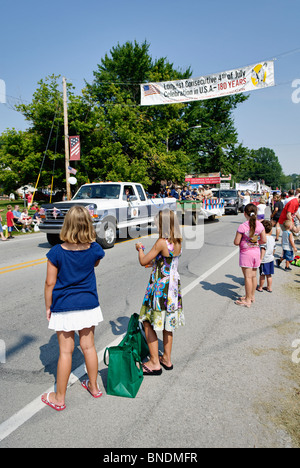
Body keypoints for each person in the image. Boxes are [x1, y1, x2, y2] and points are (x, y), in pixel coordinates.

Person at [41, 205, 105, 412]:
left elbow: (50, 283)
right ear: (88, 224)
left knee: (65, 352)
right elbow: (93, 264)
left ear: (66, 224)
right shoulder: (95, 248)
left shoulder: (56, 252)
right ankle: (94, 387)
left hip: (65, 305)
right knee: (88, 347)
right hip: (88, 303)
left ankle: (59, 398)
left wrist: (48, 306)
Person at [135, 209, 185, 375]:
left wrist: (140, 249)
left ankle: (154, 362)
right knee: (167, 325)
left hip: (160, 289)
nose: (155, 225)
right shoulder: (178, 240)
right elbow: (166, 262)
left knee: (147, 321)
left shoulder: (161, 242)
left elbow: (143, 261)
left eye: (157, 223)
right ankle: (167, 359)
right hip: (173, 288)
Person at [233, 203, 266, 307]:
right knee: (253, 276)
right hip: (256, 253)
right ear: (256, 213)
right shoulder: (260, 225)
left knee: (247, 277)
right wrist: (255, 242)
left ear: (244, 214)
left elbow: (236, 242)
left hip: (246, 253)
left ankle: (247, 300)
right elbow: (264, 240)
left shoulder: (243, 226)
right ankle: (251, 296)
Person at [257, 220, 276, 293]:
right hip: (270, 258)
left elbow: (263, 249)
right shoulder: (272, 238)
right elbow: (274, 248)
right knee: (269, 275)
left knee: (262, 274)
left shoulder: (263, 239)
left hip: (264, 259)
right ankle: (269, 287)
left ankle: (260, 287)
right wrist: (272, 255)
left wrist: (261, 258)